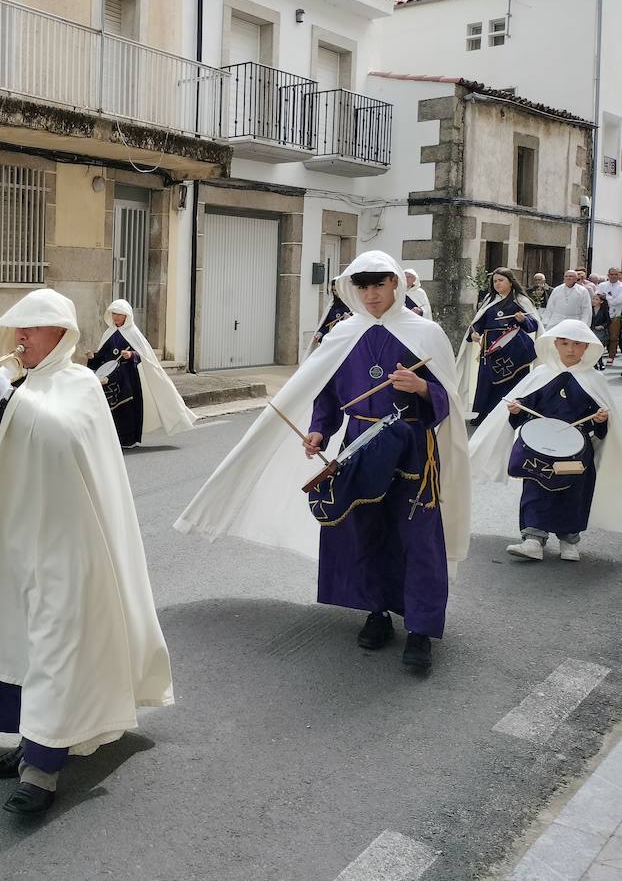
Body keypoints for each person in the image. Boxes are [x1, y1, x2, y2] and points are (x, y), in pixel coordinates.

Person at [0, 289, 173, 816]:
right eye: (17, 328)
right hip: (7, 535)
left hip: (64, 539)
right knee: (10, 642)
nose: (20, 337)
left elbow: (64, 439)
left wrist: (8, 399)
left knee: (53, 648)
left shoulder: (79, 383)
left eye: (33, 328)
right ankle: (29, 740)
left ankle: (42, 769)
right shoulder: (17, 382)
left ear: (61, 336)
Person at [176, 251, 470, 674]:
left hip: (411, 449)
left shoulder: (426, 334)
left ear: (395, 285)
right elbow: (327, 392)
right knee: (363, 531)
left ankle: (421, 630)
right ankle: (377, 613)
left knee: (416, 538)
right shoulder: (344, 333)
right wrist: (320, 430)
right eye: (363, 286)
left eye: (379, 285)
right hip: (359, 446)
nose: (371, 295)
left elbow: (450, 402)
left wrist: (422, 387)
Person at [470, 320, 622, 563]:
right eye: (564, 343)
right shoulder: (541, 375)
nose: (570, 349)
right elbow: (521, 415)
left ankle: (569, 539)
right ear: (555, 344)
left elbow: (601, 431)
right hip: (539, 450)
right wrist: (516, 409)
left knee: (575, 493)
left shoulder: (595, 380)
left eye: (577, 344)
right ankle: (533, 538)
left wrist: (602, 420)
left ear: (588, 348)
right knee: (535, 489)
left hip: (577, 450)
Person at [86, 299, 195, 447]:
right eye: (114, 314)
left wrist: (131, 355)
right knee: (109, 409)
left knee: (127, 408)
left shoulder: (133, 334)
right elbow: (102, 357)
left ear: (127, 316)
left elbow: (144, 356)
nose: (116, 317)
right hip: (111, 379)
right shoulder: (109, 333)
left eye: (120, 314)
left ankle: (128, 440)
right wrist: (93, 357)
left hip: (128, 378)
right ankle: (110, 439)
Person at [455, 268, 539, 422]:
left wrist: (522, 320)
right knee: (486, 380)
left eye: (501, 280)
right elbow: (479, 322)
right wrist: (475, 333)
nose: (497, 284)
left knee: (514, 382)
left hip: (514, 348)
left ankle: (511, 414)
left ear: (510, 281)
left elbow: (533, 325)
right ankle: (483, 413)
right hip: (490, 347)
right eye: (495, 281)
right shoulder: (489, 300)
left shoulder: (520, 300)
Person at [309, 281, 352, 353]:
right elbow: (326, 324)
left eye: (338, 290)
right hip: (332, 338)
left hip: (345, 340)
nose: (336, 293)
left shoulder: (351, 304)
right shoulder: (331, 305)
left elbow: (357, 323)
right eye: (334, 290)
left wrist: (350, 319)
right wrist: (320, 333)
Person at [594, 267, 622, 364]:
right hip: (602, 314)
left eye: (616, 274)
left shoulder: (621, 286)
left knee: (613, 336)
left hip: (615, 314)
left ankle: (611, 356)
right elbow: (597, 296)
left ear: (619, 275)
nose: (614, 276)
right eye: (612, 274)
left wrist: (607, 297)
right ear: (608, 275)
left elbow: (618, 301)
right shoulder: (602, 285)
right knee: (600, 336)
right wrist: (609, 298)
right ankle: (598, 356)